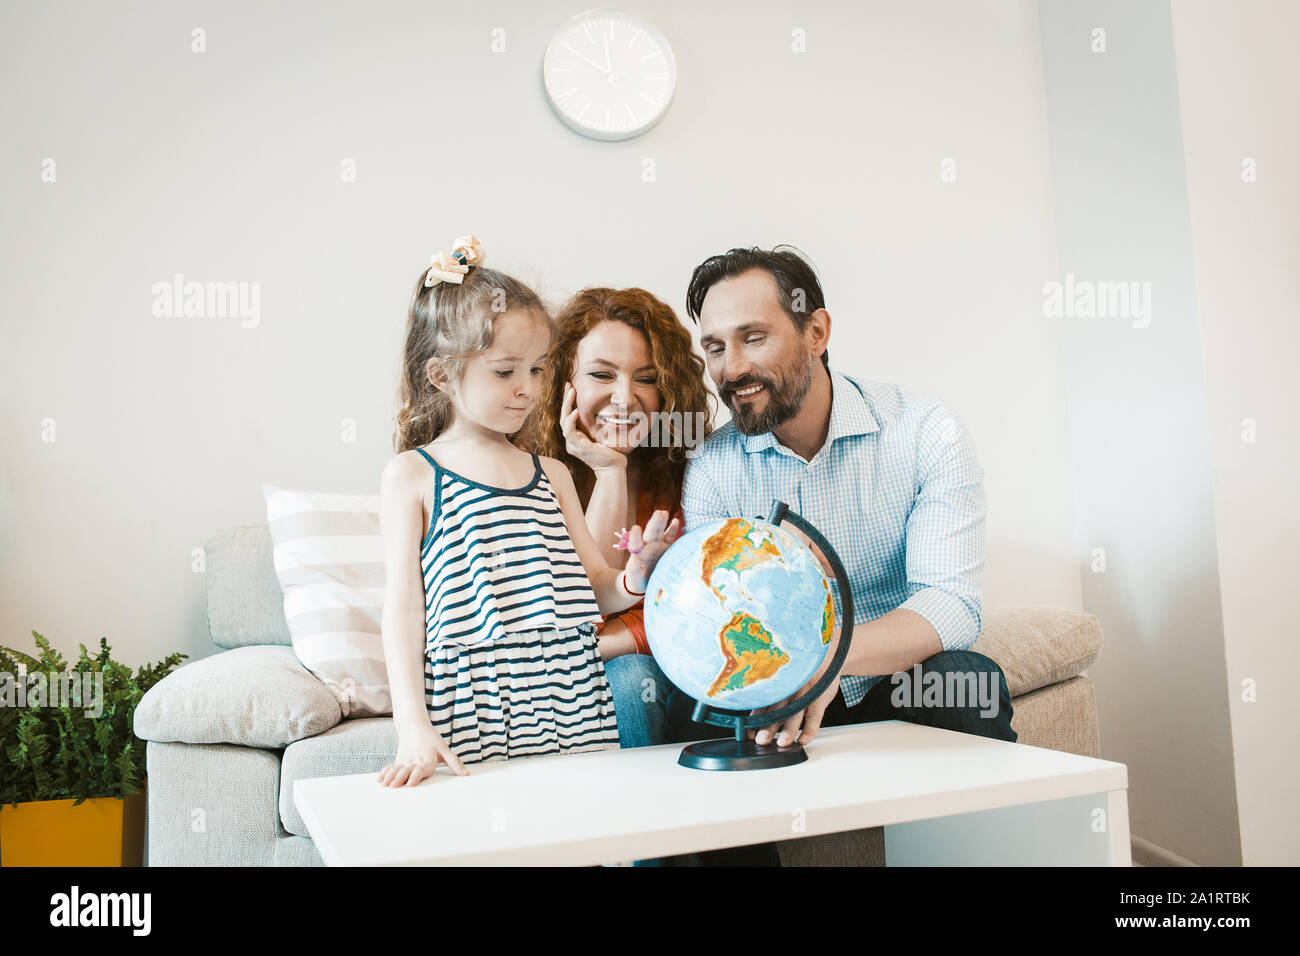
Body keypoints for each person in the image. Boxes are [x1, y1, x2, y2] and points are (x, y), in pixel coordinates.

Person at [680, 244, 1017, 749]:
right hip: (776, 687)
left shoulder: (926, 431)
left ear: (816, 332)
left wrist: (831, 659)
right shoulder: (711, 466)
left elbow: (950, 604)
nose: (732, 369)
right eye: (715, 347)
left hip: (890, 679)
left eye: (753, 338)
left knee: (968, 681)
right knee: (698, 708)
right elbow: (713, 616)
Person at [375, 236, 680, 788]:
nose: (527, 390)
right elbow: (401, 611)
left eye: (538, 370)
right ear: (441, 375)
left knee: (583, 831)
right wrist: (411, 724)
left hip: (574, 698)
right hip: (472, 706)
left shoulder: (553, 475)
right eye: (505, 372)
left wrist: (637, 575)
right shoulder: (412, 475)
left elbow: (595, 586)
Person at [522, 287, 717, 749]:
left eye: (646, 378)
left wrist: (610, 643)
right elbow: (578, 608)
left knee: (648, 677)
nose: (626, 399)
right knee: (627, 676)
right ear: (562, 382)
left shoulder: (694, 472)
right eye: (601, 374)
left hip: (675, 663)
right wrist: (609, 471)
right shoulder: (529, 475)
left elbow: (705, 611)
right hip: (576, 677)